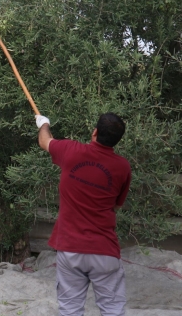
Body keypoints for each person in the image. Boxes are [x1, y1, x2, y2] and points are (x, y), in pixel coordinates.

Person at [36, 113, 131, 316]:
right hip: (105, 250)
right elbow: (117, 206)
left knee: (70, 310)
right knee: (113, 310)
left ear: (95, 132)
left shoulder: (70, 150)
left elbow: (44, 140)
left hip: (70, 249)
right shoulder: (123, 167)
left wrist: (43, 123)